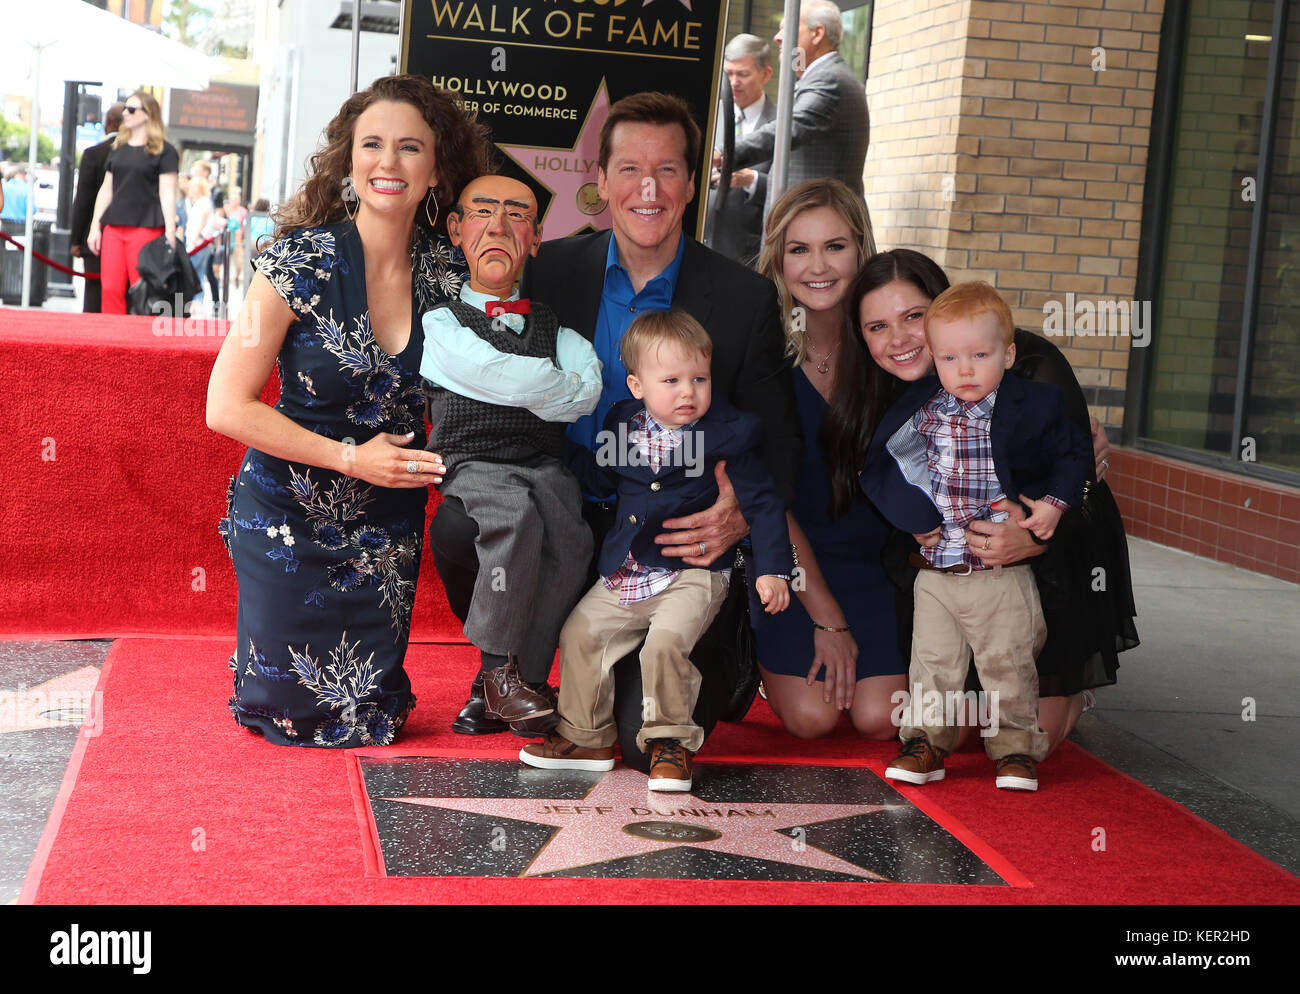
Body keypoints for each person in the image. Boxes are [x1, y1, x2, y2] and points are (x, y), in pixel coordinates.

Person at [429, 91, 802, 762]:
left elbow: (782, 442)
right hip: (563, 503)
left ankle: (706, 666)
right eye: (629, 168)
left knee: (636, 739)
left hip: (674, 537)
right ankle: (508, 670)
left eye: (667, 170)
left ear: (693, 183)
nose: (648, 189)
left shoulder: (744, 300)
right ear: (599, 182)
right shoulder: (550, 269)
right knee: (461, 522)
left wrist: (740, 514)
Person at [205, 74, 492, 747]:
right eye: (373, 144)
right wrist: (350, 457)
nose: (388, 162)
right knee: (290, 713)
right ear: (349, 159)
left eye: (410, 148)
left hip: (385, 529)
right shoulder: (293, 263)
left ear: (436, 170)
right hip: (285, 515)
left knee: (376, 717)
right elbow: (225, 405)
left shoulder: (454, 276)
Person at [849, 249, 1140, 755]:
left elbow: (1082, 481)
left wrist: (1032, 535)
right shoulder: (894, 390)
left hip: (1062, 556)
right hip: (954, 572)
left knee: (1037, 739)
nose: (898, 339)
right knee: (923, 724)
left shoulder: (1033, 370)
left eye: (913, 317)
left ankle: (1066, 683)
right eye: (877, 327)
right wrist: (914, 520)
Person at [521, 310, 791, 790]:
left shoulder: (727, 437)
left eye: (699, 379)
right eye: (672, 380)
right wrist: (553, 443)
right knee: (581, 632)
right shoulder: (624, 424)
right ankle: (586, 736)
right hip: (630, 569)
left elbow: (764, 504)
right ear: (637, 386)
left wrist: (773, 568)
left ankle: (671, 742)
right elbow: (603, 480)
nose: (688, 392)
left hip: (694, 573)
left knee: (665, 642)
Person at [420, 174, 601, 729]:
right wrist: (548, 387)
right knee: (514, 521)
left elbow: (586, 394)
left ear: (537, 237)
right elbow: (495, 373)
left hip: (544, 467)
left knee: (570, 539)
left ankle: (519, 681)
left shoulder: (558, 329)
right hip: (475, 465)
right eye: (483, 212)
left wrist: (540, 389)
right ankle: (499, 671)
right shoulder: (441, 322)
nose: (499, 226)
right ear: (456, 230)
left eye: (517, 214)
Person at [754, 178, 907, 739]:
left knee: (879, 719)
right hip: (788, 562)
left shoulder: (892, 344)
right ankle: (762, 661)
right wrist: (825, 616)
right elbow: (764, 498)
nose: (818, 265)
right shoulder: (762, 356)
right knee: (814, 721)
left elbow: (987, 339)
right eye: (800, 249)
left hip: (876, 568)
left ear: (861, 250)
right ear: (778, 259)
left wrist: (1064, 407)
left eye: (835, 246)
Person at [726, 1, 869, 204]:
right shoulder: (819, 79)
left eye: (786, 28)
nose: (777, 37)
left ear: (817, 34)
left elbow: (787, 130)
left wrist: (723, 152)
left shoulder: (829, 80)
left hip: (818, 228)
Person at [87, 91, 179, 315]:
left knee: (142, 290)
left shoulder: (164, 151)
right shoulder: (118, 147)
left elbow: (168, 194)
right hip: (114, 227)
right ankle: (111, 343)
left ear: (148, 114)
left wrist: (170, 231)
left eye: (131, 109)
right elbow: (106, 190)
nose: (125, 113)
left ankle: (139, 345)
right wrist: (94, 227)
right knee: (110, 288)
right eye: (125, 108)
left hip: (146, 228)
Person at [708, 34, 776, 267]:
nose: (733, 82)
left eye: (743, 74)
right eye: (728, 74)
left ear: (765, 74)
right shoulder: (707, 116)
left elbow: (791, 187)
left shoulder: (782, 124)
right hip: (699, 247)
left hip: (747, 257)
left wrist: (751, 180)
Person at [69, 103, 125, 313]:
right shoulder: (141, 153)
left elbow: (83, 199)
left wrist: (76, 239)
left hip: (96, 235)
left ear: (109, 123)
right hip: (128, 232)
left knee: (94, 291)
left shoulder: (94, 153)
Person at [184, 176, 214, 308]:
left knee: (194, 274)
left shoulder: (202, 202)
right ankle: (198, 302)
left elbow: (201, 219)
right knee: (199, 274)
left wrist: (195, 238)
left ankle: (196, 301)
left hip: (197, 243)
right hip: (199, 242)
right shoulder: (203, 201)